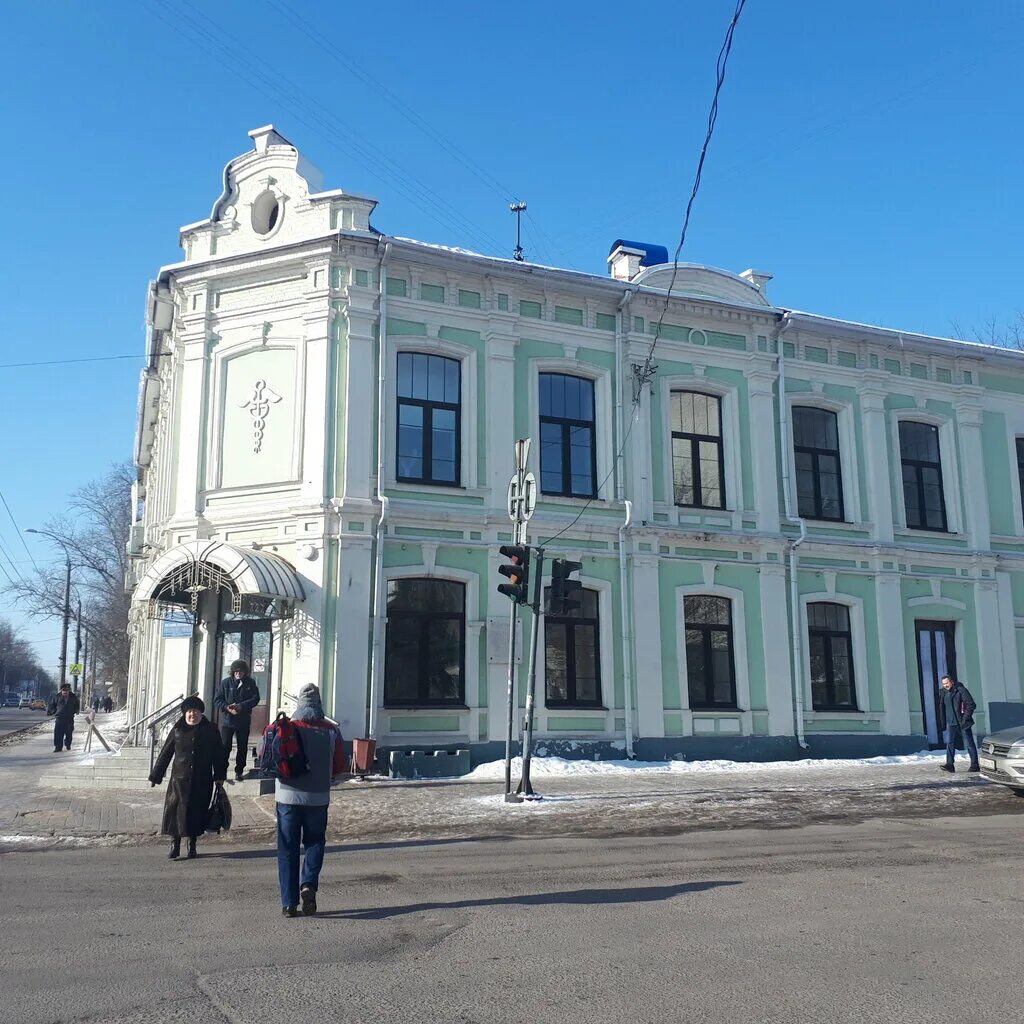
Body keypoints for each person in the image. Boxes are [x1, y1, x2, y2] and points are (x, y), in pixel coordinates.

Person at [276, 683, 346, 918]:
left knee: (288, 847)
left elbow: (267, 752)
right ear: (319, 703)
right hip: (318, 797)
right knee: (315, 842)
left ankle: (288, 903)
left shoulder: (286, 726)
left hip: (287, 796)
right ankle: (308, 884)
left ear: (298, 703)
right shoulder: (330, 730)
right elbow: (339, 766)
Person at [148, 696, 226, 860]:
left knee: (196, 812)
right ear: (185, 714)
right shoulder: (178, 729)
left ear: (201, 713)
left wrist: (219, 776)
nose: (193, 715)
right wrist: (156, 774)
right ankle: (175, 845)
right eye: (190, 712)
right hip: (179, 780)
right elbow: (166, 754)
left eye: (196, 711)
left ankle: (192, 845)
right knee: (176, 812)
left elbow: (219, 756)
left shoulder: (210, 730)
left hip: (201, 780)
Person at [214, 660, 261, 781]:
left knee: (242, 747)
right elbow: (217, 700)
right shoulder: (225, 683)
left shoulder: (250, 683)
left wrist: (242, 706)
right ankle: (222, 772)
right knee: (225, 747)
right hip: (227, 721)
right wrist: (227, 707)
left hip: (243, 721)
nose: (238, 674)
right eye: (236, 671)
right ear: (232, 672)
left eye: (240, 671)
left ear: (245, 672)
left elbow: (255, 698)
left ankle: (239, 771)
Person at [938, 674, 980, 774]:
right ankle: (950, 765)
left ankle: (975, 765)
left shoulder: (961, 690)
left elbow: (971, 704)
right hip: (951, 722)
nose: (945, 685)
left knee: (969, 743)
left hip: (962, 722)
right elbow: (942, 708)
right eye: (943, 684)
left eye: (947, 683)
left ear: (952, 682)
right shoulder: (943, 693)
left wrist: (965, 719)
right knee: (950, 743)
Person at [47, 683, 80, 753]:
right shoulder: (57, 697)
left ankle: (68, 744)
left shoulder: (73, 697)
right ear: (61, 691)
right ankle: (58, 747)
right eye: (64, 690)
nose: (65, 692)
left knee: (69, 732)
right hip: (59, 717)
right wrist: (52, 711)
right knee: (58, 733)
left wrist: (76, 710)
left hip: (69, 718)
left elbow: (77, 704)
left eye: (67, 690)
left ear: (69, 691)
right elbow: (51, 705)